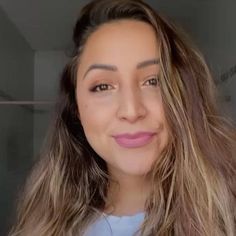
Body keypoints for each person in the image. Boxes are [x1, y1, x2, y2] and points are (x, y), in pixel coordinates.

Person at [9, 0, 236, 235]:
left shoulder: (228, 215)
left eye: (153, 81)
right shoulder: (43, 223)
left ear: (185, 93)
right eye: (103, 86)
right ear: (76, 108)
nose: (131, 110)